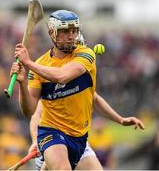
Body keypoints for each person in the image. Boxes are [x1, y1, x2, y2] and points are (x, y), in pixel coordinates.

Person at [10, 10, 145, 170]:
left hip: (79, 137)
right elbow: (30, 110)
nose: (71, 35)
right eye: (65, 31)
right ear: (52, 33)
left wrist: (120, 120)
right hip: (51, 132)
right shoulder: (40, 66)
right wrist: (21, 83)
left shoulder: (86, 54)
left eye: (74, 30)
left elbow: (69, 81)